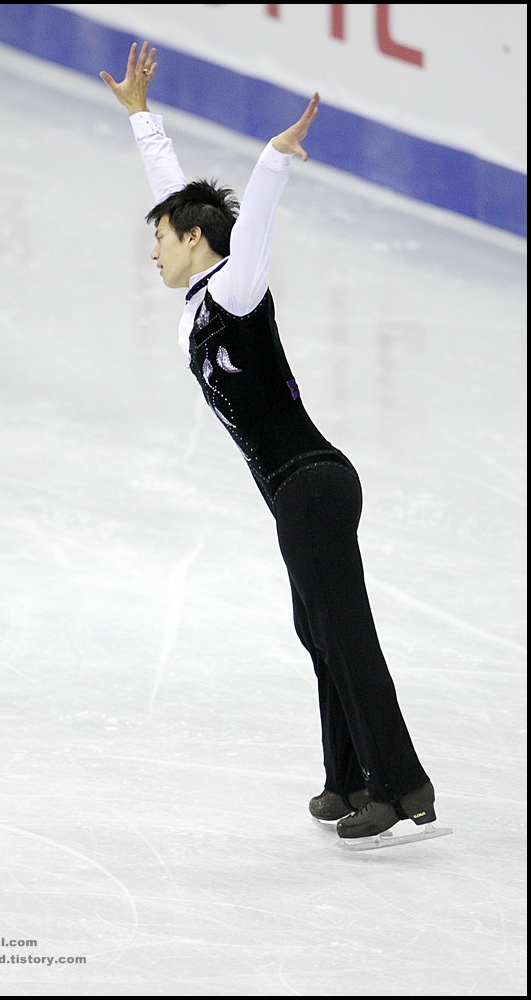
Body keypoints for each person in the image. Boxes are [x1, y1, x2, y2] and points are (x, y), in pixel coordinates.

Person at [99, 41, 441, 845]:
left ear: (192, 240)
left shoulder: (238, 288)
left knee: (344, 636)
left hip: (312, 482)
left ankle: (400, 788)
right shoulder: (199, 294)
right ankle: (346, 780)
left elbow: (243, 227)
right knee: (318, 632)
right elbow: (175, 196)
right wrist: (142, 118)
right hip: (293, 491)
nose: (151, 251)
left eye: (160, 239)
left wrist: (272, 158)